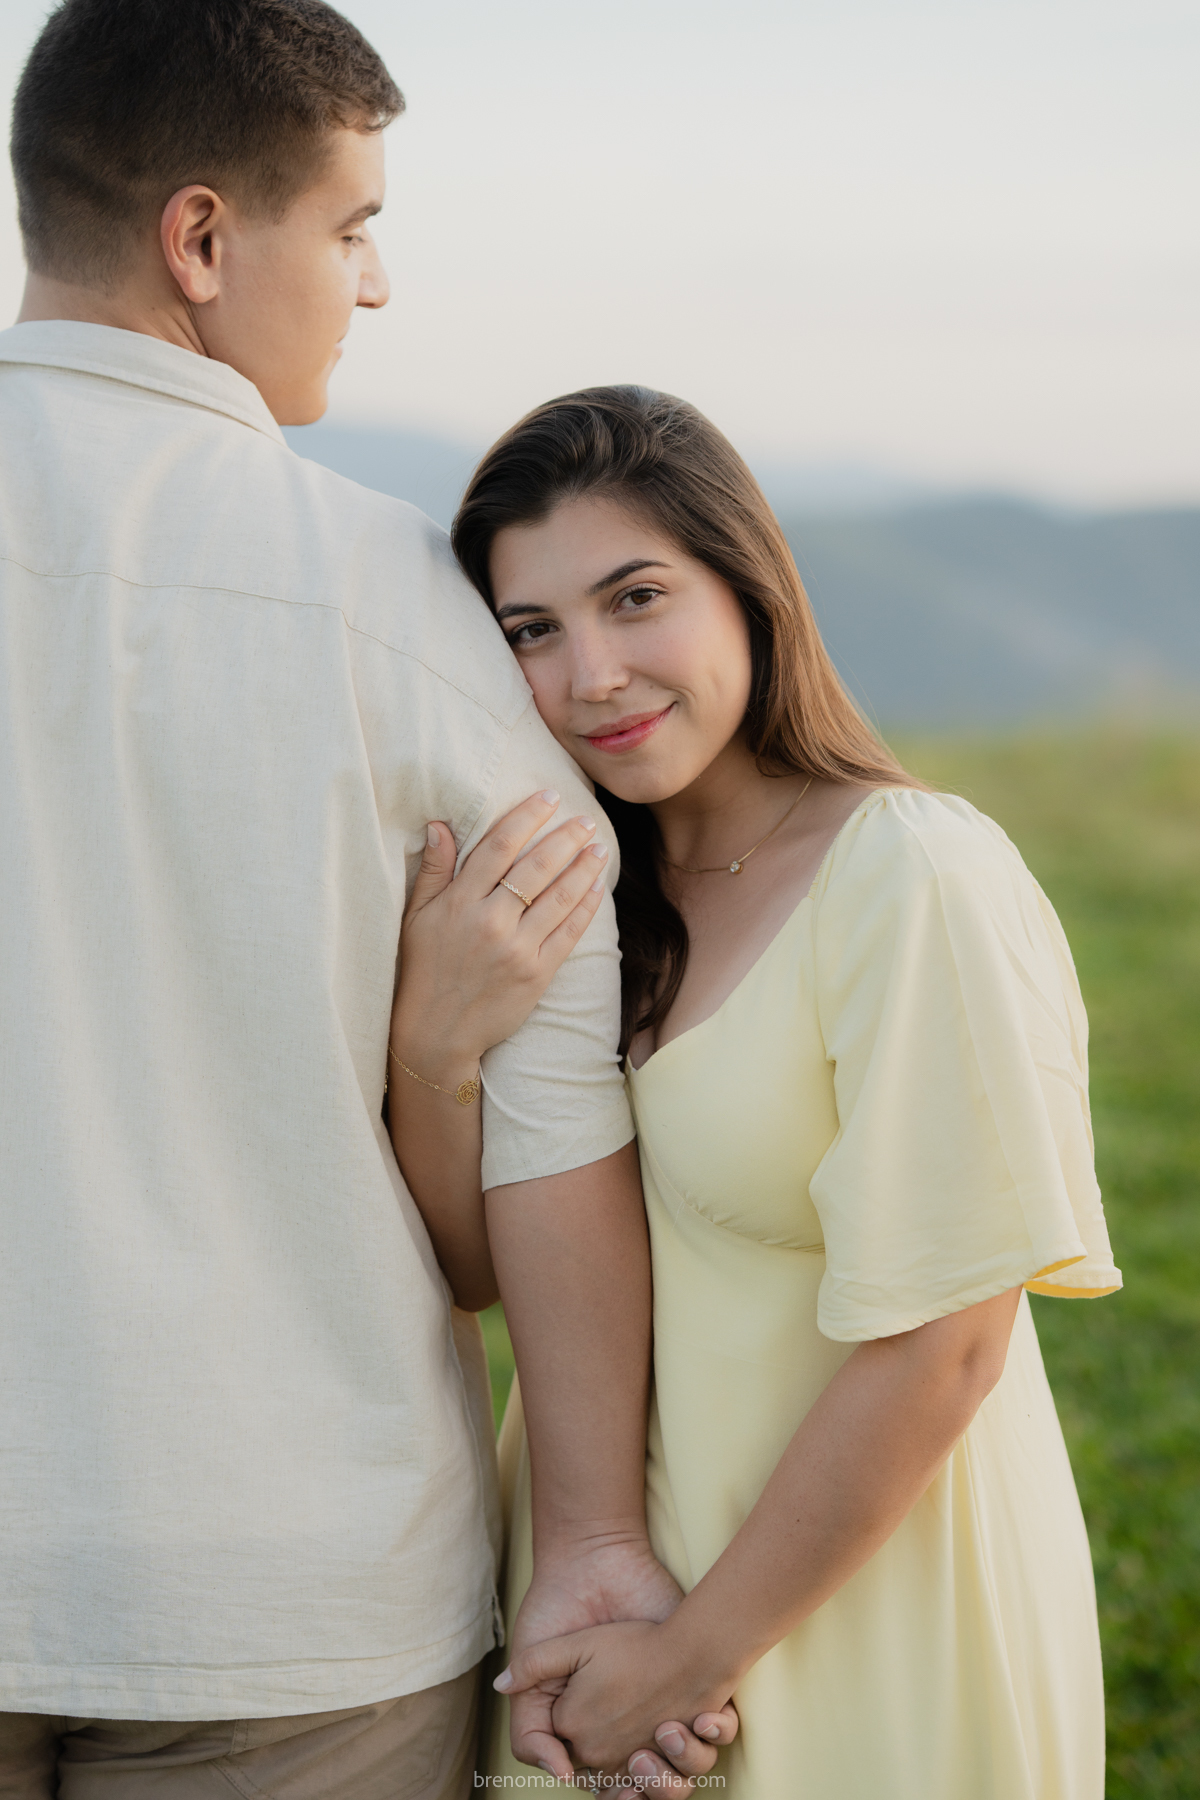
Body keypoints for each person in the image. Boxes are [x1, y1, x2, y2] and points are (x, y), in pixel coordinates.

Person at [0, 9, 727, 1795]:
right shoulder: (401, 602)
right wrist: (588, 1539)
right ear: (198, 239)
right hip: (293, 1600)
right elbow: (556, 1121)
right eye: (350, 226)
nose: (375, 282)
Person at [391, 386, 1124, 1797]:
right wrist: (436, 1046)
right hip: (593, 1588)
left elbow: (947, 1344)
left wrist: (690, 1659)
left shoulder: (912, 876)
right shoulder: (571, 894)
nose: (592, 674)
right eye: (531, 630)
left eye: (636, 598)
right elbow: (480, 1272)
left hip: (846, 1606)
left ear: (749, 588)